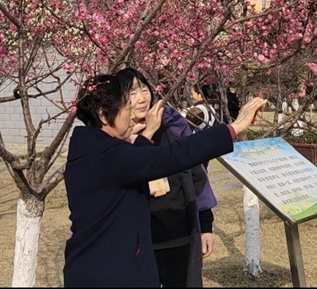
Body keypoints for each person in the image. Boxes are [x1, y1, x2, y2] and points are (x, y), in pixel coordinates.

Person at [63, 73, 266, 287]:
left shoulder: (90, 148)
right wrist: (234, 127)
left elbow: (133, 163)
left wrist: (143, 138)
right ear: (104, 115)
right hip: (112, 275)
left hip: (94, 268)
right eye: (126, 106)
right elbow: (173, 155)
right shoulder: (110, 156)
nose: (132, 113)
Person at [116, 68, 216, 287]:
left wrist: (206, 225)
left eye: (144, 89)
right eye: (132, 93)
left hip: (180, 235)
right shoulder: (116, 138)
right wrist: (146, 133)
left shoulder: (174, 126)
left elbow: (197, 176)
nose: (141, 98)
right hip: (138, 241)